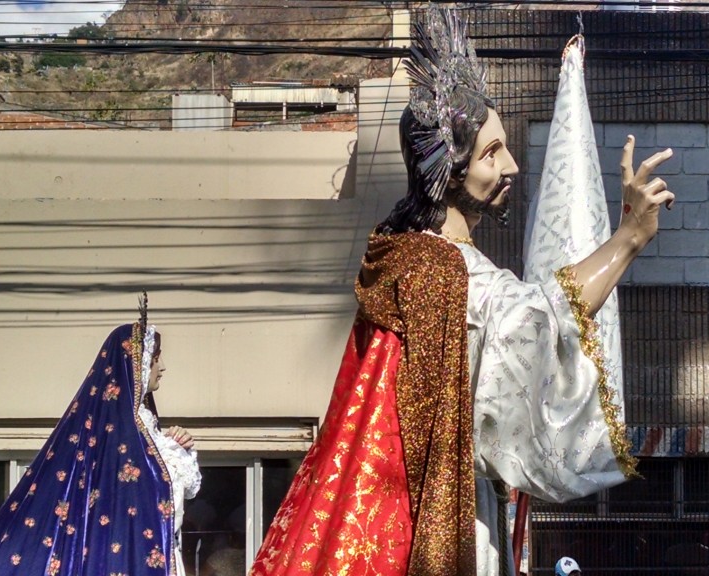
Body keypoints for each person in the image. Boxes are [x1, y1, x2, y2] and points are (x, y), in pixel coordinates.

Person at [249, 8, 674, 576]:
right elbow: (539, 319)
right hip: (435, 515)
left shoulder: (411, 255)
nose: (513, 166)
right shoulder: (439, 270)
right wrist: (628, 240)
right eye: (491, 153)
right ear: (448, 170)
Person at [0, 308, 201, 576]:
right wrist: (171, 457)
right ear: (137, 364)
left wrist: (179, 449)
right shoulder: (117, 437)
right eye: (156, 359)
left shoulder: (144, 428)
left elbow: (169, 500)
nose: (161, 368)